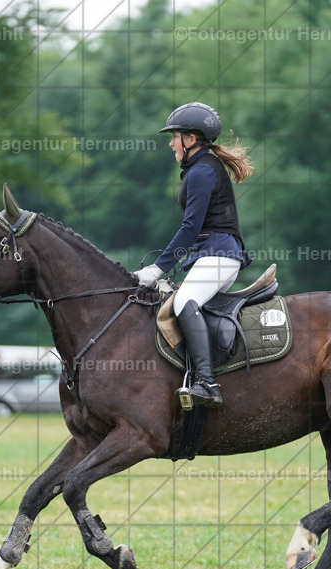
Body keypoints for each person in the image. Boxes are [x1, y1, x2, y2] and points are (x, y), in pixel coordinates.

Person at [134, 102, 254, 407]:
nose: (171, 143)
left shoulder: (202, 171)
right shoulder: (200, 169)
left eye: (174, 136)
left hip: (220, 255)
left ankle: (208, 384)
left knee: (186, 302)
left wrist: (157, 268)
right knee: (186, 303)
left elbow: (190, 229)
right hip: (212, 256)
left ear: (190, 139)